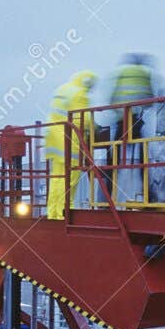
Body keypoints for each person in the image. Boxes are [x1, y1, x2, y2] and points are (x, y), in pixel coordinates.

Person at [44, 70, 96, 219]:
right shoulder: (80, 93)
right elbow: (83, 120)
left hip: (55, 139)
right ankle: (64, 212)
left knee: (57, 178)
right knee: (70, 178)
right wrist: (95, 128)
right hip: (69, 140)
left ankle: (53, 212)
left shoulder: (63, 89)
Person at [109, 54, 157, 202]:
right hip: (135, 121)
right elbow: (150, 100)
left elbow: (112, 100)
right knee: (143, 158)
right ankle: (148, 193)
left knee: (112, 160)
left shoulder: (122, 73)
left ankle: (106, 195)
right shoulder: (144, 74)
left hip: (122, 120)